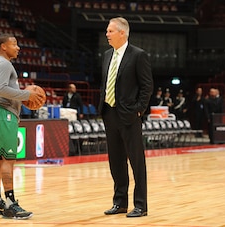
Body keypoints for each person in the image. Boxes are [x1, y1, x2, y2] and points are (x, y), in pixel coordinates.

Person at [98, 17, 153, 218]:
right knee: (116, 161)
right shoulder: (106, 55)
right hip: (109, 113)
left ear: (122, 32)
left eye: (110, 31)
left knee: (136, 161)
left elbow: (147, 86)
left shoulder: (138, 55)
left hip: (129, 115)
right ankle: (120, 203)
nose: (107, 34)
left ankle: (141, 205)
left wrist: (139, 109)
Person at [0, 34, 36, 219]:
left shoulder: (0, 63)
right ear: (3, 46)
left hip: (0, 113)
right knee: (8, 159)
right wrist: (26, 95)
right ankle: (10, 204)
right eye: (14, 44)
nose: (18, 47)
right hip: (4, 113)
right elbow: (0, 89)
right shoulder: (5, 64)